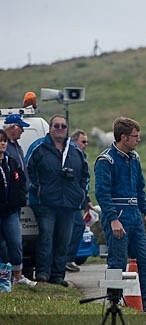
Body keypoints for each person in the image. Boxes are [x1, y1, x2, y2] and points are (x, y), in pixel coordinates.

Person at [94, 117, 146, 314]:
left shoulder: (134, 159)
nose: (138, 140)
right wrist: (113, 219)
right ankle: (113, 303)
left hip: (135, 215)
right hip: (117, 214)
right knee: (117, 262)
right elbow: (102, 193)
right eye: (135, 136)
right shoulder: (106, 161)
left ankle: (140, 302)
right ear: (123, 137)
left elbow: (140, 188)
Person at [25, 115, 89, 286]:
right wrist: (37, 189)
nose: (59, 129)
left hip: (68, 204)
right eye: (56, 126)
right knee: (46, 238)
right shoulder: (38, 147)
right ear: (50, 128)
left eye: (63, 126)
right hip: (45, 203)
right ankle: (43, 273)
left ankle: (58, 276)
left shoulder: (75, 151)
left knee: (63, 241)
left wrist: (81, 194)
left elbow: (85, 175)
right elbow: (27, 170)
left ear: (67, 129)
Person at [0, 128, 35, 287]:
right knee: (2, 246)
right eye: (0, 140)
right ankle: (4, 277)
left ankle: (18, 275)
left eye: (4, 140)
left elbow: (21, 180)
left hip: (11, 211)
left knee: (15, 242)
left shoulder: (11, 162)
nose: (2, 143)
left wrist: (20, 198)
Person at [66, 130, 92, 272]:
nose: (86, 145)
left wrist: (86, 200)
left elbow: (84, 181)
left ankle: (68, 258)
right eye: (83, 142)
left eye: (87, 142)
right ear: (74, 141)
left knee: (77, 226)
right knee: (77, 226)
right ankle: (67, 258)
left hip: (79, 199)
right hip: (70, 200)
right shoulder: (71, 155)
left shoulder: (81, 156)